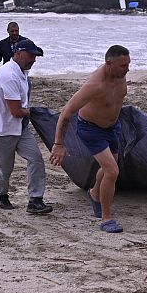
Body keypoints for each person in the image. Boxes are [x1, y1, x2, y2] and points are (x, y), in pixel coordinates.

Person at [49, 45, 130, 233]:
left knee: (109, 168)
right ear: (109, 64)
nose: (127, 69)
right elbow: (66, 112)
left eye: (128, 64)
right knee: (112, 171)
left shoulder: (120, 74)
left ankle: (95, 193)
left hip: (112, 127)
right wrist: (59, 143)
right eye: (123, 65)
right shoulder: (95, 85)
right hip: (91, 130)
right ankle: (106, 219)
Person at [0, 39, 53, 215]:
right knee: (6, 168)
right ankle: (1, 194)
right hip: (2, 129)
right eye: (31, 56)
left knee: (36, 158)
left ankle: (35, 200)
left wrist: (31, 113)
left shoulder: (22, 71)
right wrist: (36, 112)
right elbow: (15, 110)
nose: (34, 60)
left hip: (20, 127)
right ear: (19, 53)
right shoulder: (9, 74)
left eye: (35, 56)